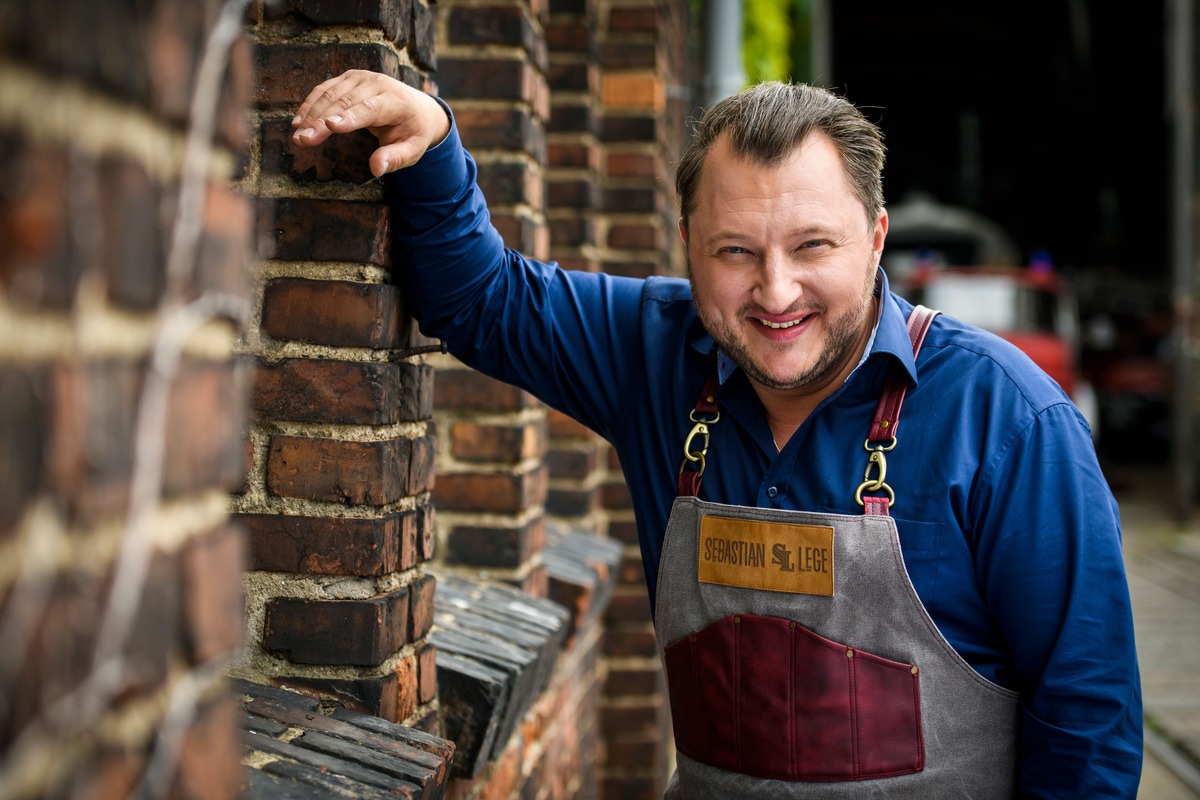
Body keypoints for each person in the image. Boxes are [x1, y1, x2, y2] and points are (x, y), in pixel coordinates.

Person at [292, 70, 1143, 798]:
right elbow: (477, 302)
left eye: (813, 246)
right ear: (689, 245)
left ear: (876, 239)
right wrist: (435, 142)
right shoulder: (655, 351)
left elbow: (1088, 718)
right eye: (736, 251)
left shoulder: (1010, 421)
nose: (776, 294)